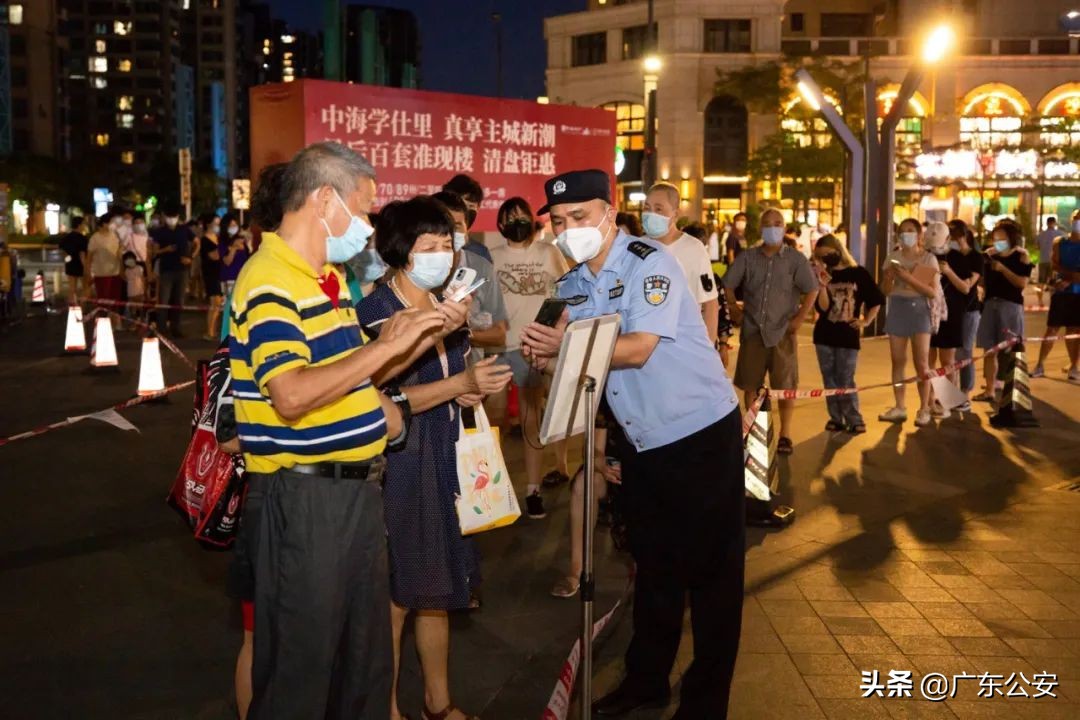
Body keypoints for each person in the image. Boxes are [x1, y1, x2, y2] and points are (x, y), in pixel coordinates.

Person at [228, 141, 467, 719]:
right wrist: (386, 344)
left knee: (362, 667)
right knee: (300, 675)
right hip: (304, 500)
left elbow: (351, 379)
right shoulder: (269, 281)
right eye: (362, 211)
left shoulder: (323, 280)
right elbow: (291, 393)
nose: (365, 226)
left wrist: (411, 336)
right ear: (324, 199)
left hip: (351, 494)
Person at [519, 169, 744, 719]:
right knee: (653, 566)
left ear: (610, 211)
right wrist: (544, 355)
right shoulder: (573, 280)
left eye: (578, 217)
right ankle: (647, 680)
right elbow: (568, 352)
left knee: (713, 578)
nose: (568, 229)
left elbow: (638, 347)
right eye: (558, 221)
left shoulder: (650, 262)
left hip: (698, 432)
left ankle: (706, 701)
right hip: (641, 440)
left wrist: (563, 346)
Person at [357, 196, 512, 720]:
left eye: (448, 244)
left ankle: (438, 704)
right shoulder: (378, 313)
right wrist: (457, 384)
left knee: (437, 589)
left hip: (448, 454)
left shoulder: (448, 303)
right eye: (430, 246)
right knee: (398, 594)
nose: (443, 255)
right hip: (402, 462)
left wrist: (470, 390)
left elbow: (453, 380)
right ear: (402, 253)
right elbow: (383, 400)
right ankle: (388, 708)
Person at [488, 196, 570, 517]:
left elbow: (567, 292)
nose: (517, 222)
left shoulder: (549, 252)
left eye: (523, 216)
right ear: (500, 225)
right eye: (511, 218)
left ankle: (532, 489)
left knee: (530, 419)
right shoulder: (491, 257)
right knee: (495, 420)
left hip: (533, 346)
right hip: (498, 347)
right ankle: (492, 489)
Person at [723, 207, 818, 455]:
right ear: (761, 229)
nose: (773, 227)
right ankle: (752, 430)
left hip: (783, 333)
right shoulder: (748, 257)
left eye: (777, 223)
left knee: (785, 385)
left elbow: (812, 289)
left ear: (784, 228)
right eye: (768, 223)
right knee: (750, 384)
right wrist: (733, 308)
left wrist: (799, 318)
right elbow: (728, 284)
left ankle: (785, 434)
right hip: (753, 332)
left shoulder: (796, 260)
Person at [811, 234, 884, 434]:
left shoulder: (858, 273)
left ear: (838, 250)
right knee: (829, 379)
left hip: (848, 335)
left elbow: (876, 299)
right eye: (821, 256)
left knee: (846, 377)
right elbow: (823, 309)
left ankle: (854, 418)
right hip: (824, 335)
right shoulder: (824, 275)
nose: (826, 259)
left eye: (828, 254)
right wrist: (822, 285)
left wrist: (866, 321)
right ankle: (835, 418)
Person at [879, 218, 940, 426]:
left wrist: (907, 278)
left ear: (920, 235)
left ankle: (924, 408)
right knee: (897, 360)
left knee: (921, 363)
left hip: (919, 311)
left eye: (911, 231)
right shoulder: (892, 257)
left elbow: (931, 292)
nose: (907, 234)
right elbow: (885, 291)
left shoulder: (928, 259)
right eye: (903, 231)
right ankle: (899, 406)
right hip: (897, 308)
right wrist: (889, 278)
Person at [432, 190, 509, 355]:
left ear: (467, 229)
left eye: (457, 225)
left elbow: (499, 334)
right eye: (444, 225)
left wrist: (459, 334)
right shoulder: (416, 268)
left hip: (471, 373)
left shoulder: (482, 267)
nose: (451, 233)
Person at [642, 182, 720, 344]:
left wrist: (708, 348)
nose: (650, 214)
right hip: (644, 342)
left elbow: (710, 303)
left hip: (684, 341)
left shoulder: (694, 248)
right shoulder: (637, 247)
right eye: (647, 208)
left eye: (658, 209)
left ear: (675, 214)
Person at [975, 219, 1033, 401]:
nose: (997, 241)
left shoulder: (1020, 256)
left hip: (1010, 306)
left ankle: (1014, 390)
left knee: (1011, 349)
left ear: (1011, 239)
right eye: (995, 237)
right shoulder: (989, 256)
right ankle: (990, 390)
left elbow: (1021, 283)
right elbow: (982, 281)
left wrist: (1003, 269)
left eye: (1002, 238)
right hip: (990, 304)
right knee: (989, 350)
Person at [1033, 209, 1080, 382]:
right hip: (1061, 292)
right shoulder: (1060, 242)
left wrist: (1070, 278)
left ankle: (1074, 367)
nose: (1077, 221)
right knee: (1052, 328)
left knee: (1073, 331)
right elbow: (1054, 265)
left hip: (1077, 294)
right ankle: (1039, 364)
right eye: (1076, 218)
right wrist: (1070, 277)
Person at [946, 220, 984, 409]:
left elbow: (970, 282)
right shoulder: (947, 256)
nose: (953, 240)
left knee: (965, 351)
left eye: (955, 236)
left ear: (964, 236)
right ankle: (949, 394)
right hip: (949, 309)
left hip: (969, 309)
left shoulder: (975, 257)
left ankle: (965, 394)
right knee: (948, 353)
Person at [150, 206, 194, 337]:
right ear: (164, 217)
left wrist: (191, 257)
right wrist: (166, 250)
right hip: (166, 270)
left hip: (182, 270)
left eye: (174, 217)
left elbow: (196, 241)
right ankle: (162, 328)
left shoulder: (184, 230)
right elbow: (153, 251)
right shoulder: (159, 232)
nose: (172, 219)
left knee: (179, 301)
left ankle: (176, 327)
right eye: (169, 217)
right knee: (164, 300)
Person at [441, 174, 492, 263]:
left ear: (478, 208)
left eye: (470, 206)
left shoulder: (480, 252)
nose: (464, 212)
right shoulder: (431, 248)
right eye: (460, 206)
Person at [87, 211, 124, 319]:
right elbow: (89, 257)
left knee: (115, 300)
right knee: (104, 301)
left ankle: (114, 322)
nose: (114, 225)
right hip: (102, 274)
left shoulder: (115, 236)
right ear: (104, 224)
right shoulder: (95, 238)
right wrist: (88, 273)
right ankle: (103, 322)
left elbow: (119, 253)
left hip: (115, 273)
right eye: (111, 222)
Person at [58, 216, 89, 304]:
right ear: (79, 225)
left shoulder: (67, 237)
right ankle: (82, 307)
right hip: (80, 265)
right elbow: (82, 254)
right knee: (85, 288)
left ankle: (72, 306)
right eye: (83, 224)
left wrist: (67, 258)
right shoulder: (82, 238)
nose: (84, 226)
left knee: (72, 288)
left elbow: (62, 250)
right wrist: (86, 267)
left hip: (70, 264)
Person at [1037, 216, 1065, 306]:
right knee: (1053, 281)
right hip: (1055, 261)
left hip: (1043, 260)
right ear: (1054, 223)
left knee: (1041, 281)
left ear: (1047, 223)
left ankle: (1040, 301)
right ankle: (1053, 301)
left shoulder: (1040, 235)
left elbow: (1037, 247)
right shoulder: (1060, 234)